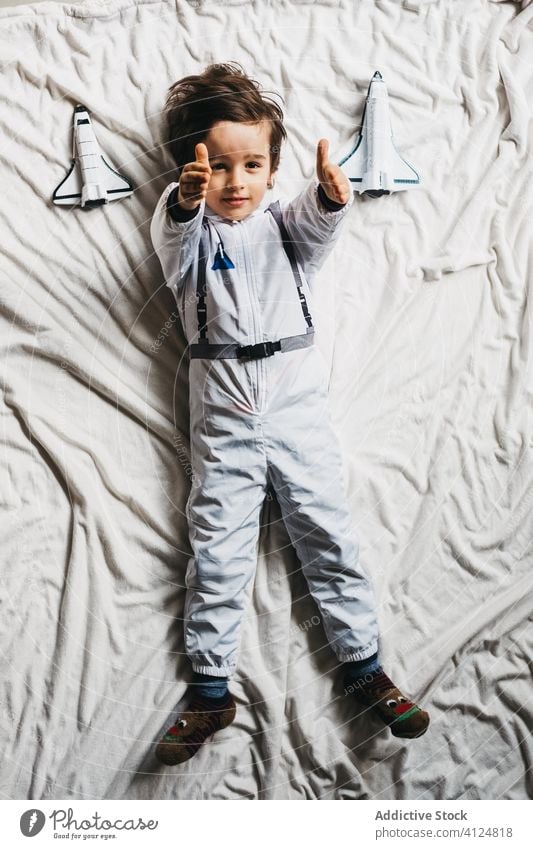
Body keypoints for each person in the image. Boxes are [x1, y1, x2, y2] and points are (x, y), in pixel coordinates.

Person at [150, 63, 429, 766]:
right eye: (216, 168)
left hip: (294, 398)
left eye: (251, 165)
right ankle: (210, 687)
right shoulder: (190, 237)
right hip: (224, 405)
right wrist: (184, 205)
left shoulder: (281, 225)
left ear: (272, 169)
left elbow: (313, 229)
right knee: (217, 546)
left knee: (326, 530)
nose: (235, 182)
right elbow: (175, 236)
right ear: (189, 171)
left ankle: (363, 664)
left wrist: (329, 197)